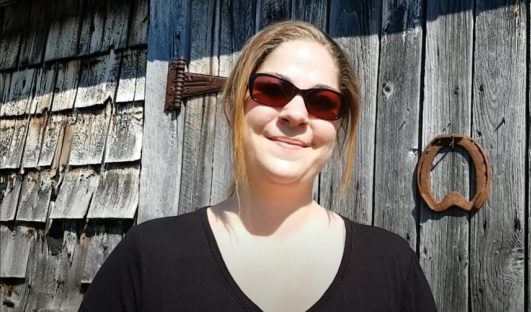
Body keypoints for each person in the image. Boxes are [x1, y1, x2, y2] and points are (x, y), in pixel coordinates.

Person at [80, 21, 436, 312]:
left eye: (322, 101)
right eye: (272, 90)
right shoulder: (149, 257)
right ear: (237, 101)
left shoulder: (391, 268)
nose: (296, 114)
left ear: (337, 126)